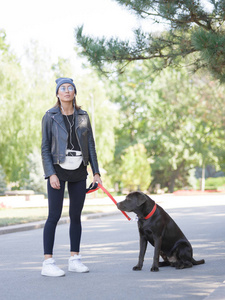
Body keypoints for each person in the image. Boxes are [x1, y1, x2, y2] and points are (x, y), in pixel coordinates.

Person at [41, 77, 102, 277]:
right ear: (57, 93)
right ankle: (48, 262)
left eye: (70, 88)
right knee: (54, 216)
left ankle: (75, 259)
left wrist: (96, 172)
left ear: (74, 92)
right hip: (58, 168)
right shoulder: (49, 116)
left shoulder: (83, 116)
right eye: (63, 88)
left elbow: (90, 145)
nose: (67, 91)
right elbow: (45, 148)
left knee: (76, 216)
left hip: (78, 169)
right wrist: (50, 173)